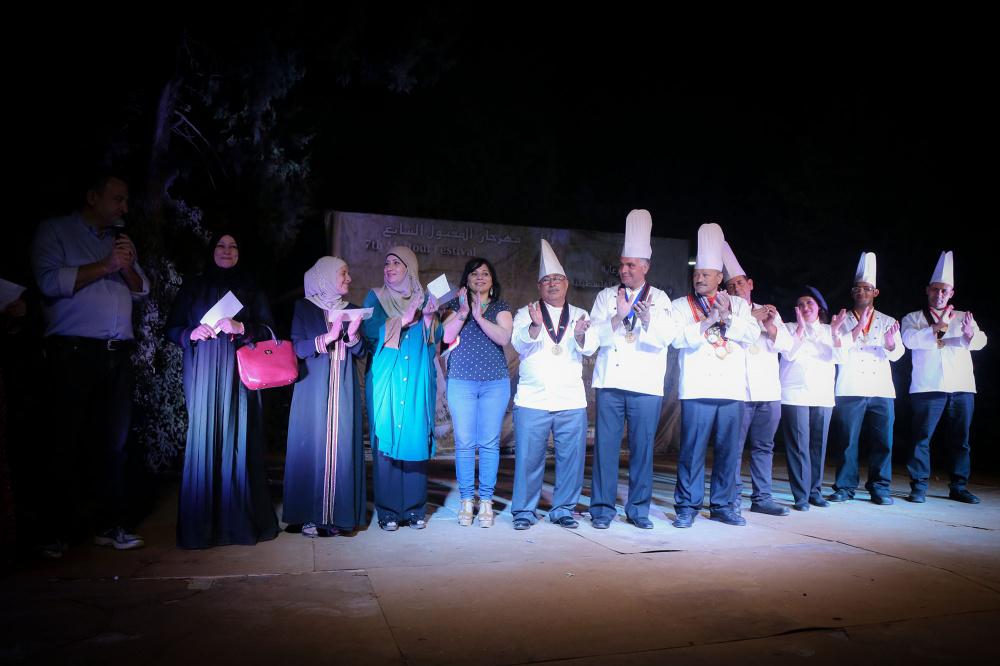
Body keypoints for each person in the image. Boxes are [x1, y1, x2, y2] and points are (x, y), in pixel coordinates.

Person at [31, 171, 149, 551]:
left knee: (114, 444)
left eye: (126, 200)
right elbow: (49, 282)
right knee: (66, 442)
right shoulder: (55, 231)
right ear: (92, 197)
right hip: (74, 353)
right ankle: (57, 532)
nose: (124, 208)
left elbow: (142, 289)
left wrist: (126, 265)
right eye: (118, 199)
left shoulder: (119, 241)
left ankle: (109, 524)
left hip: (117, 355)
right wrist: (107, 265)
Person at [165, 232, 279, 548]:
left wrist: (242, 327)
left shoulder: (251, 288)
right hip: (202, 376)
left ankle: (238, 525)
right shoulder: (194, 287)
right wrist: (191, 333)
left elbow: (271, 331)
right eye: (221, 245)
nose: (227, 251)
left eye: (233, 246)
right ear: (211, 250)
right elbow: (171, 328)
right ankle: (202, 528)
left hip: (240, 378)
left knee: (239, 439)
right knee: (205, 439)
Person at [588, 209, 676, 530]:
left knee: (642, 451)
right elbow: (593, 338)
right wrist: (617, 316)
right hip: (610, 383)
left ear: (645, 267)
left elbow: (669, 338)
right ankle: (601, 510)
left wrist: (648, 319)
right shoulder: (606, 297)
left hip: (645, 386)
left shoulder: (661, 299)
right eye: (622, 264)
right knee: (605, 449)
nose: (624, 270)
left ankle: (638, 510)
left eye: (631, 265)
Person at [670, 223, 760, 529]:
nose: (699, 279)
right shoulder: (681, 306)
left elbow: (752, 335)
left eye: (706, 275)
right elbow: (677, 339)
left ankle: (723, 506)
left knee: (728, 453)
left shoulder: (739, 305)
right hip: (696, 388)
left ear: (720, 278)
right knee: (691, 452)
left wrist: (728, 317)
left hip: (731, 389)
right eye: (696, 274)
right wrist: (708, 321)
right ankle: (686, 507)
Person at [510, 240, 598, 530]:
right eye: (546, 280)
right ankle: (524, 511)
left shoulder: (581, 314)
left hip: (570, 399)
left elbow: (590, 347)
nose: (552, 284)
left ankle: (563, 509)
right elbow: (518, 343)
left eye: (557, 279)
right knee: (528, 459)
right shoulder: (526, 312)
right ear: (539, 286)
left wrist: (581, 334)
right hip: (532, 399)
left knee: (571, 459)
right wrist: (535, 325)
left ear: (566, 283)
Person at [283, 257, 367, 537]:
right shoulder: (305, 308)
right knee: (311, 445)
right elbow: (297, 348)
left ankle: (337, 516)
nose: (348, 279)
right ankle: (308, 515)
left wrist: (352, 336)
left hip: (343, 389)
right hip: (312, 389)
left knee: (340, 446)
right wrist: (327, 338)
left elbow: (362, 353)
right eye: (343, 273)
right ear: (326, 276)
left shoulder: (352, 310)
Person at [362, 247, 439, 531]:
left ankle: (415, 509)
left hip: (417, 375)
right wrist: (403, 320)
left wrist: (428, 319)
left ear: (410, 268)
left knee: (415, 436)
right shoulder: (376, 296)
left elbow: (437, 338)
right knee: (387, 437)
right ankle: (389, 511)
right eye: (387, 263)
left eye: (397, 262)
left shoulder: (425, 297)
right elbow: (369, 332)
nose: (389, 267)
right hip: (387, 376)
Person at [901, 251, 987, 504]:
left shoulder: (963, 317)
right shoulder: (913, 318)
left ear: (951, 293)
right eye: (935, 289)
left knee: (960, 440)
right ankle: (918, 486)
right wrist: (936, 329)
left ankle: (959, 486)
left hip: (961, 386)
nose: (939, 294)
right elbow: (909, 341)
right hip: (927, 386)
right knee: (921, 438)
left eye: (944, 291)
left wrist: (970, 335)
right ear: (928, 290)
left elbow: (981, 342)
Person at [721, 242, 792, 517]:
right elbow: (724, 341)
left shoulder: (769, 310)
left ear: (750, 284)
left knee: (764, 447)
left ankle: (762, 498)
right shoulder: (724, 314)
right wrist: (750, 319)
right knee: (734, 449)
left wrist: (771, 327)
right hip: (738, 392)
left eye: (740, 283)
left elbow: (787, 346)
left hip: (768, 391)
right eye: (730, 286)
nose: (736, 289)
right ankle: (732, 499)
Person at [440, 257, 513, 528]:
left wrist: (480, 317)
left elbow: (504, 337)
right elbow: (445, 337)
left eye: (485, 273)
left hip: (494, 383)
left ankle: (486, 500)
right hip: (462, 382)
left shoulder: (500, 307)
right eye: (474, 273)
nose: (479, 277)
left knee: (489, 442)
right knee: (465, 442)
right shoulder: (454, 306)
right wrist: (463, 312)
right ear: (466, 280)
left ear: (492, 281)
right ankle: (466, 500)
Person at [827, 252, 904, 505]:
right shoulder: (841, 320)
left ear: (875, 292)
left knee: (883, 441)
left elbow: (898, 355)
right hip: (850, 387)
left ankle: (880, 487)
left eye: (866, 288)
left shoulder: (888, 321)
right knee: (847, 441)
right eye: (857, 288)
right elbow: (836, 354)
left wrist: (891, 344)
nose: (861, 292)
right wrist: (854, 331)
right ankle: (844, 487)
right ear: (852, 293)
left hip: (881, 389)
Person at [778, 287, 846, 510]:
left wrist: (835, 333)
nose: (805, 307)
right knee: (798, 446)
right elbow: (789, 353)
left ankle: (815, 492)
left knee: (818, 446)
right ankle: (801, 495)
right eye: (801, 304)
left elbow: (841, 357)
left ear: (820, 307)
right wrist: (800, 328)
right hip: (794, 393)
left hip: (822, 394)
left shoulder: (830, 330)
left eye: (810, 303)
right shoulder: (789, 328)